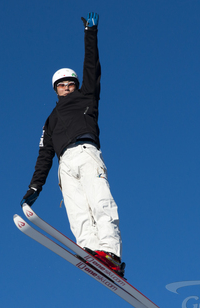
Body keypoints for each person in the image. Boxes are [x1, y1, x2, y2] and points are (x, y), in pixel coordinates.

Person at [21, 13, 124, 277]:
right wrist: (35, 186)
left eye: (70, 84)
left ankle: (110, 252)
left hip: (87, 152)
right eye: (61, 86)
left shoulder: (87, 98)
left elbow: (92, 67)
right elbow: (44, 155)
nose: (67, 88)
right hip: (64, 165)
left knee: (100, 202)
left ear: (76, 87)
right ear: (55, 90)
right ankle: (90, 250)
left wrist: (91, 34)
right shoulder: (50, 121)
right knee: (78, 211)